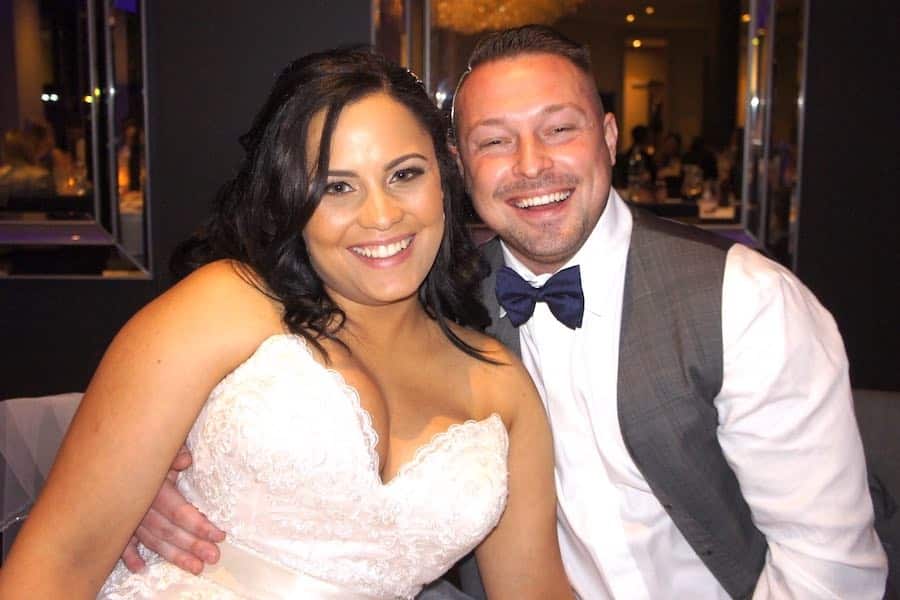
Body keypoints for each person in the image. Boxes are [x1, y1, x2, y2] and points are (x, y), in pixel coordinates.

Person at [122, 27, 890, 599]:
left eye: (560, 129)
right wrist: (158, 474)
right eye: (495, 141)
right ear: (458, 167)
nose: (531, 167)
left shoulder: (746, 300)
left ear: (610, 138)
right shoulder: (424, 286)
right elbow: (263, 385)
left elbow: (830, 568)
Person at [0, 48, 571, 599]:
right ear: (290, 198)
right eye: (336, 186)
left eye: (404, 175)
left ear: (444, 179)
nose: (380, 215)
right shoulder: (223, 304)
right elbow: (59, 561)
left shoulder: (503, 386)